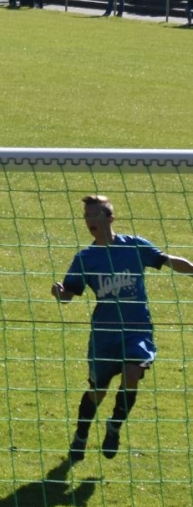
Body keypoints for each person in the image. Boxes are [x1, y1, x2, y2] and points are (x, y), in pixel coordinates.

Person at [52, 195, 193, 463]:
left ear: (109, 218)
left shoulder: (134, 247)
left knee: (132, 372)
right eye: (86, 217)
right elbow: (70, 294)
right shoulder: (86, 258)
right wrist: (60, 293)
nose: (90, 222)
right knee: (98, 391)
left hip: (137, 330)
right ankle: (81, 434)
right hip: (105, 336)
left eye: (95, 216)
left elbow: (168, 260)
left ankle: (115, 424)